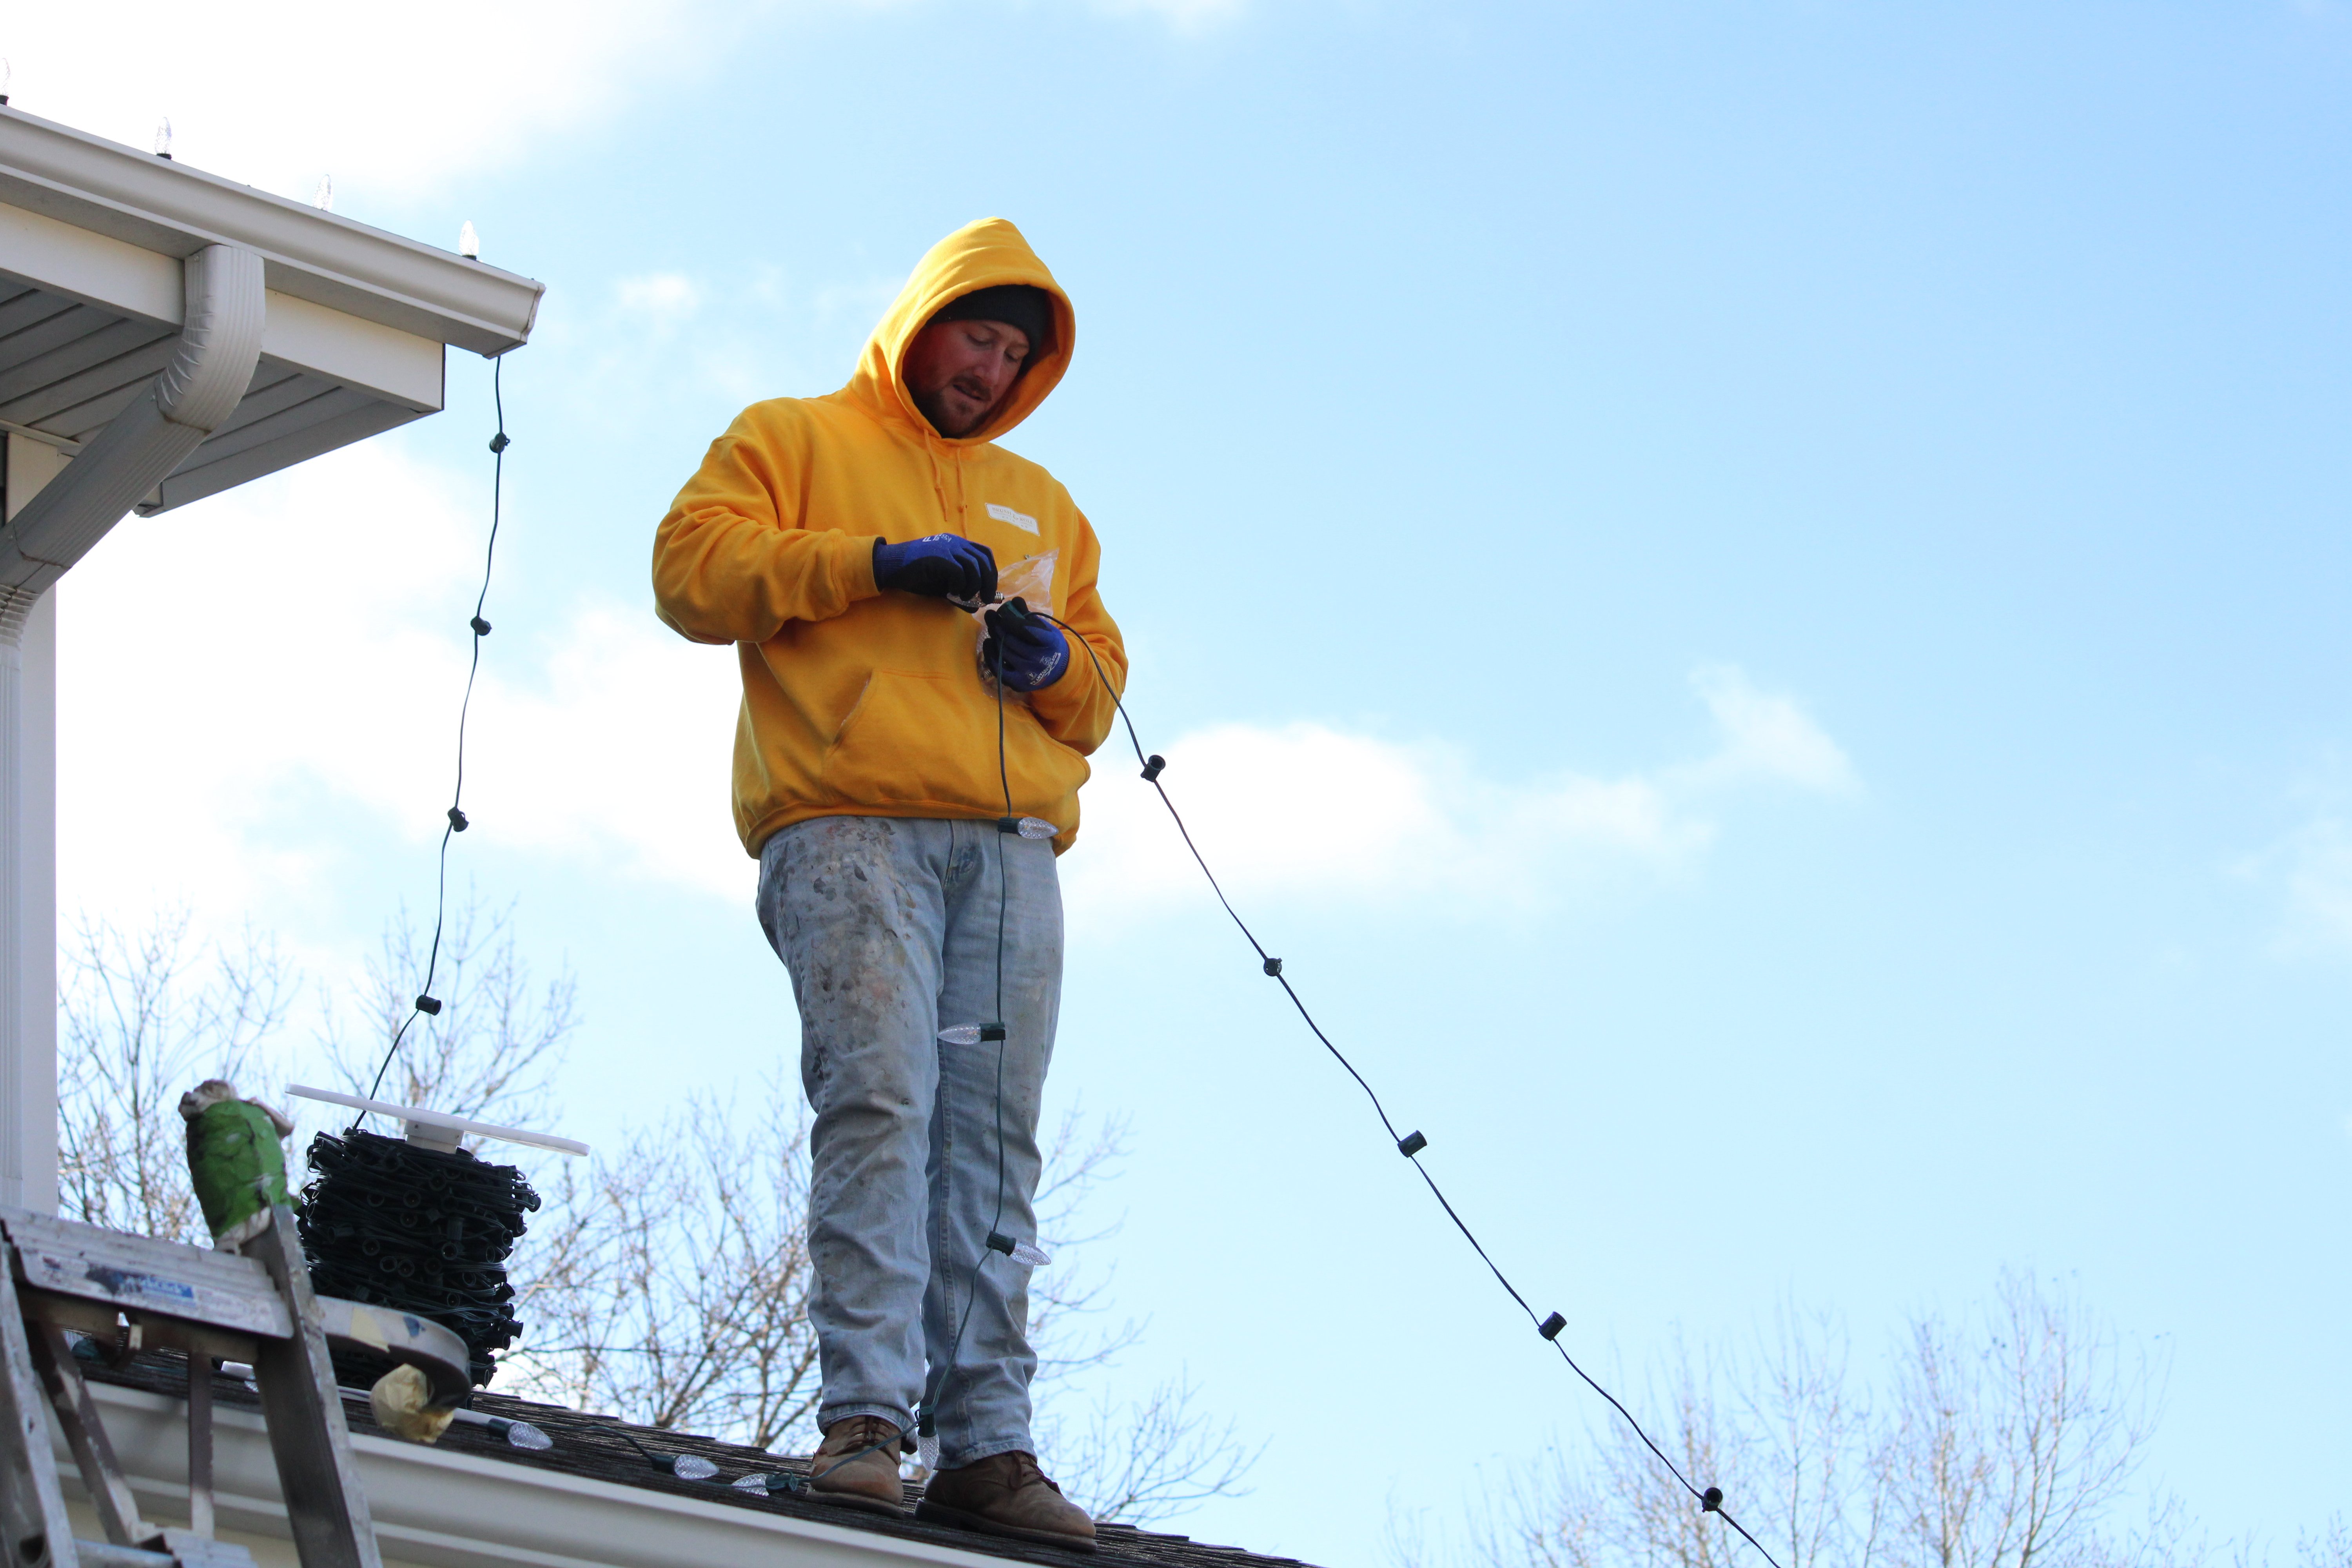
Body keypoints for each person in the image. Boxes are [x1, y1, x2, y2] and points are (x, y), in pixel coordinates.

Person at [650, 218, 1125, 1552]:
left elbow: (1102, 686)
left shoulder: (1047, 503)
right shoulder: (795, 438)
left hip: (1009, 852)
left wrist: (1053, 669)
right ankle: (867, 1419)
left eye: (1017, 353)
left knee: (990, 1141)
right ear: (927, 319)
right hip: (850, 828)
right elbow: (690, 571)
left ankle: (989, 1447)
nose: (992, 366)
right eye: (980, 332)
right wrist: (871, 564)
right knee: (880, 1100)